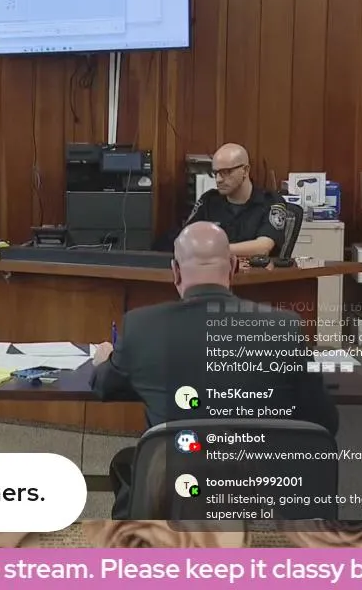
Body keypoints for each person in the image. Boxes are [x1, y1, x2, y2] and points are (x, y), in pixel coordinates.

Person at [90, 222, 339, 518]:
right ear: (233, 267)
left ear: (175, 271)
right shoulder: (284, 327)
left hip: (176, 499)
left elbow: (104, 387)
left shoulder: (141, 327)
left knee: (128, 463)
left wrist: (105, 359)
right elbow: (325, 421)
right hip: (267, 498)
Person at [184, 143, 289, 257]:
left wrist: (214, 250)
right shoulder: (208, 200)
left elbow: (262, 247)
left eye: (226, 172)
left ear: (245, 170)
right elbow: (186, 239)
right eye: (215, 173)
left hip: (255, 268)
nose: (218, 179)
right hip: (216, 266)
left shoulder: (271, 201)